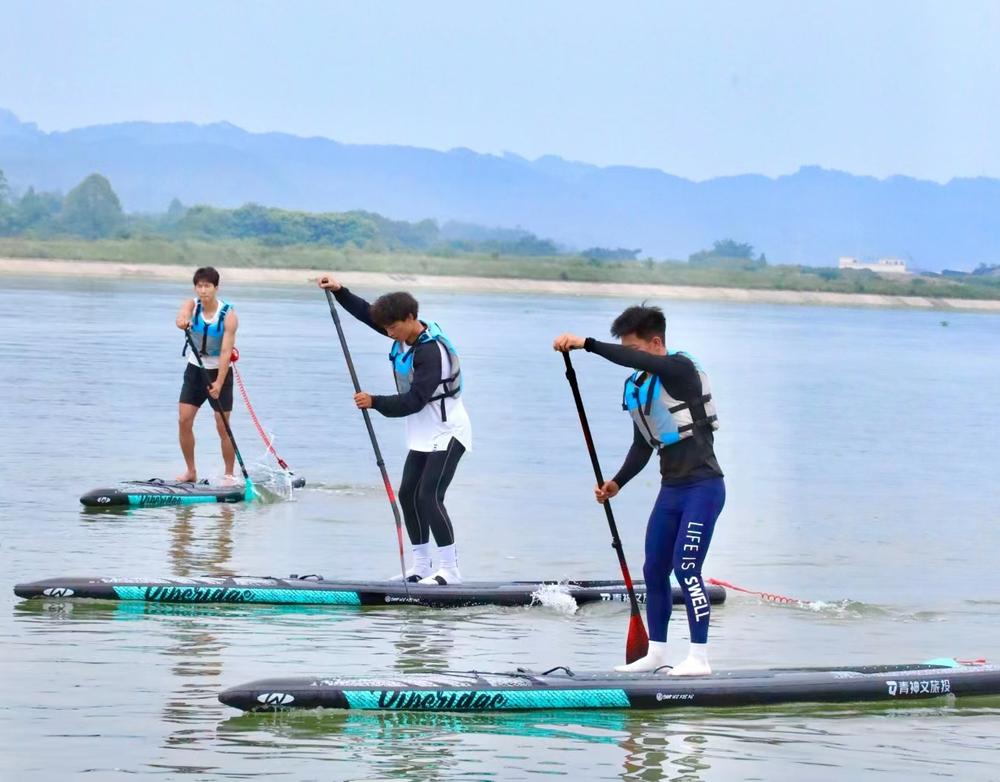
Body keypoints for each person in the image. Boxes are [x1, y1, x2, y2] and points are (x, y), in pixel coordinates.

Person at [553, 304, 725, 676]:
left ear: (656, 342)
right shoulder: (641, 386)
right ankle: (657, 653)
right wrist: (616, 482)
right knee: (654, 569)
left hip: (704, 488)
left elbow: (615, 356)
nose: (630, 359)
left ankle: (699, 658)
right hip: (672, 491)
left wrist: (587, 344)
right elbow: (642, 445)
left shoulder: (679, 370)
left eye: (635, 350)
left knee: (688, 568)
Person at [318, 274, 472, 585]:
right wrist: (340, 291)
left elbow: (415, 400)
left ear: (411, 318)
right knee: (407, 495)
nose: (389, 333)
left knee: (430, 496)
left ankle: (451, 571)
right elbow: (367, 313)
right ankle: (421, 566)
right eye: (386, 328)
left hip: (448, 430)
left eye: (393, 327)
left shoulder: (431, 352)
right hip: (422, 431)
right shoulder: (401, 332)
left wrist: (375, 401)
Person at [175, 266, 239, 483]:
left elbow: (225, 352)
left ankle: (229, 474)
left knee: (222, 426)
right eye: (199, 286)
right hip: (195, 370)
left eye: (207, 286)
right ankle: (191, 471)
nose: (203, 291)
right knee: (184, 420)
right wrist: (182, 321)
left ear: (216, 288)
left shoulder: (228, 315)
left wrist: (219, 382)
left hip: (219, 372)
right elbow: (181, 317)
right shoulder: (192, 306)